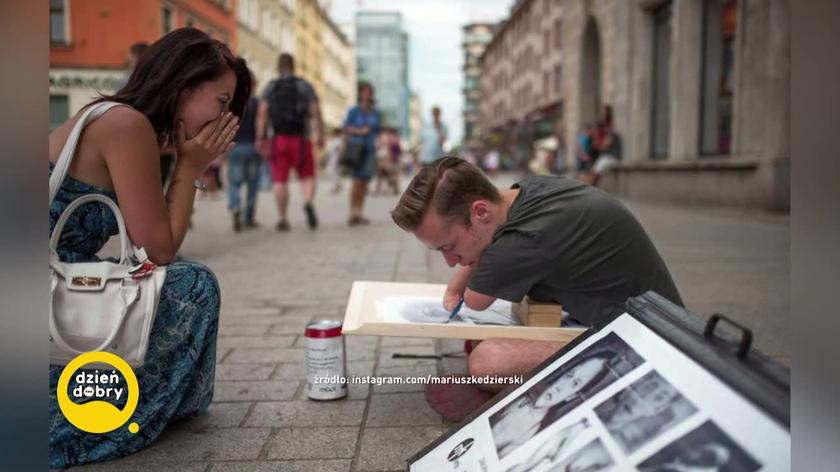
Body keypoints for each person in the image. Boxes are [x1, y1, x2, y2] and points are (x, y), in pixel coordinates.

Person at [48, 27, 249, 468]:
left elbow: (151, 241)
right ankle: (122, 415)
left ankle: (156, 402)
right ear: (183, 85)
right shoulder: (126, 124)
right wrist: (190, 166)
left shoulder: (117, 119)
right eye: (221, 103)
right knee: (192, 285)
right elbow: (159, 248)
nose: (224, 120)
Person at [390, 157, 683, 394]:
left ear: (480, 212)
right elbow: (469, 275)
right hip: (659, 320)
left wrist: (458, 290)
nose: (451, 262)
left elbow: (475, 301)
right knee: (490, 338)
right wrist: (458, 278)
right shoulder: (529, 190)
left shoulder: (523, 240)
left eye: (449, 247)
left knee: (488, 362)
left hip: (646, 343)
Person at [256, 53, 325, 231]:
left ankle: (282, 218)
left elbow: (262, 114)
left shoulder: (271, 87)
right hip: (302, 140)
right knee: (307, 176)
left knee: (280, 180)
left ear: (279, 67)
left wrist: (261, 137)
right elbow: (316, 111)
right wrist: (321, 134)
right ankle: (308, 201)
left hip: (278, 140)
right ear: (293, 66)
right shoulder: (304, 86)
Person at [226, 69, 262, 231]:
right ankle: (249, 217)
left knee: (234, 181)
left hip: (235, 146)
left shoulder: (233, 103)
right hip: (253, 146)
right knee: (252, 184)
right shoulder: (257, 103)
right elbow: (262, 125)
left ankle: (235, 206)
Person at [342, 81, 381, 226]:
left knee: (364, 183)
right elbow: (346, 128)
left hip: (370, 151)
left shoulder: (376, 112)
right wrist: (360, 131)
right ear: (360, 94)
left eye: (370, 93)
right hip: (356, 150)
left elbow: (377, 132)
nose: (367, 95)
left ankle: (360, 212)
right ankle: (352, 212)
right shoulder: (354, 111)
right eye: (365, 92)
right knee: (356, 182)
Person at [584, 121, 623, 186]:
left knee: (594, 171)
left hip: (611, 157)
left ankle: (589, 186)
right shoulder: (611, 133)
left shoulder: (611, 134)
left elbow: (603, 147)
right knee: (594, 171)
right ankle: (591, 186)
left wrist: (596, 142)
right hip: (609, 157)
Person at [323, 127, 345, 194]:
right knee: (331, 171)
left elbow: (339, 149)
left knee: (333, 171)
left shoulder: (339, 140)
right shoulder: (333, 140)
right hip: (331, 157)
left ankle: (336, 186)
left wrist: (339, 159)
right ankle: (338, 185)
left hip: (335, 157)